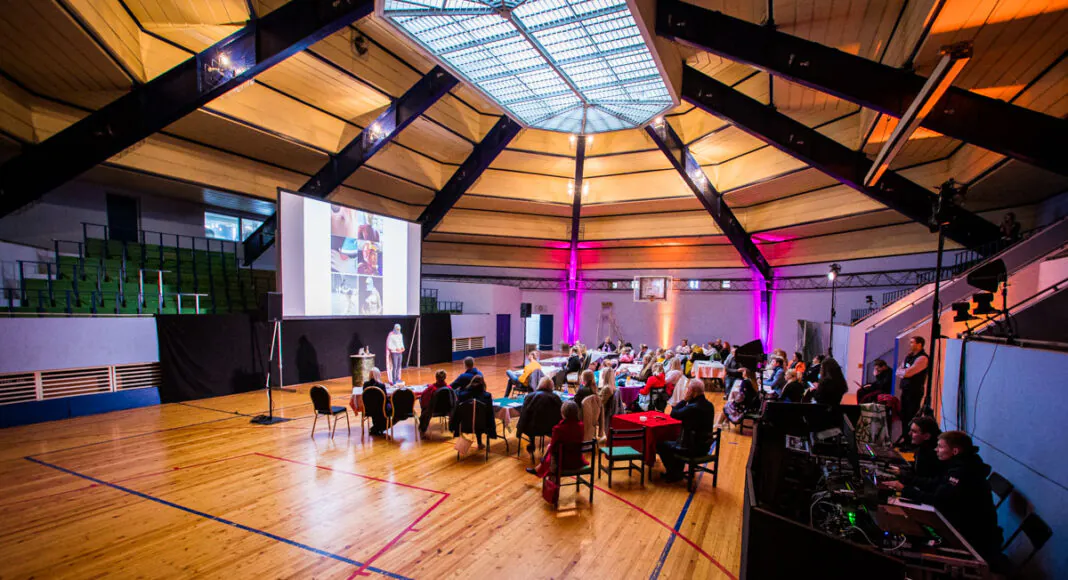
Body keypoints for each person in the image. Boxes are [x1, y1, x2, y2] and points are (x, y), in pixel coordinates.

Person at [884, 431, 1002, 562]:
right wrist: (906, 479)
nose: (936, 450)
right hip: (961, 523)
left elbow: (937, 500)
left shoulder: (963, 471)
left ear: (955, 451)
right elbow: (935, 484)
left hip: (971, 535)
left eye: (940, 446)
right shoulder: (961, 464)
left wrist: (904, 490)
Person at [657, 380, 717, 483]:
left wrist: (684, 400)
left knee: (660, 443)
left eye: (688, 389)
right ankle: (677, 470)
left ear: (693, 392)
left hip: (692, 448)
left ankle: (673, 473)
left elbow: (674, 414)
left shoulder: (693, 408)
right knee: (677, 440)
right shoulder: (709, 405)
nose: (686, 391)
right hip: (705, 446)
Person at [526, 400, 587, 477]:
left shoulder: (558, 429)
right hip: (577, 460)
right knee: (552, 449)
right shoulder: (581, 425)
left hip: (563, 463)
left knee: (551, 450)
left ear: (563, 413)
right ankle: (539, 467)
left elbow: (553, 448)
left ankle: (540, 468)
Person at [891, 416, 943, 488]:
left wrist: (904, 477)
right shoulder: (922, 449)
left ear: (926, 436)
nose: (909, 433)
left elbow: (929, 483)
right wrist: (901, 471)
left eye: (914, 431)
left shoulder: (936, 455)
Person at [516, 377, 564, 455]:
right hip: (550, 429)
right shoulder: (555, 398)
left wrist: (519, 430)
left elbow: (524, 415)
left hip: (532, 429)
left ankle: (532, 443)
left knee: (531, 420)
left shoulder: (529, 396)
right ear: (551, 386)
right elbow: (561, 414)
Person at [896, 336, 930, 439]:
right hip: (905, 390)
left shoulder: (922, 358)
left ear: (919, 344)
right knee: (904, 415)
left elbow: (909, 373)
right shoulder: (909, 357)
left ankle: (911, 439)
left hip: (914, 391)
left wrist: (904, 372)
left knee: (911, 415)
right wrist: (904, 372)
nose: (910, 344)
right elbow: (898, 371)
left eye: (912, 342)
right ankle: (905, 437)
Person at [455, 375, 494, 449]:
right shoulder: (487, 396)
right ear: (483, 384)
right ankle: (480, 443)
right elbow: (490, 414)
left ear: (471, 382)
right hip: (482, 426)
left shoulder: (462, 395)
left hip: (465, 425)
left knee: (473, 415)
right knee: (479, 417)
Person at [418, 370, 449, 434]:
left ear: (436, 378)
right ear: (445, 377)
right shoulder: (449, 389)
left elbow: (423, 396)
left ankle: (422, 428)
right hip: (446, 410)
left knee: (422, 400)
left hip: (432, 410)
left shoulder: (431, 388)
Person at [363, 368, 390, 436]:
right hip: (381, 410)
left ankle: (376, 427)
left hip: (368, 409)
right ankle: (380, 427)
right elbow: (385, 399)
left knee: (374, 405)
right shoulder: (381, 385)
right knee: (391, 407)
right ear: (378, 375)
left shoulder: (365, 385)